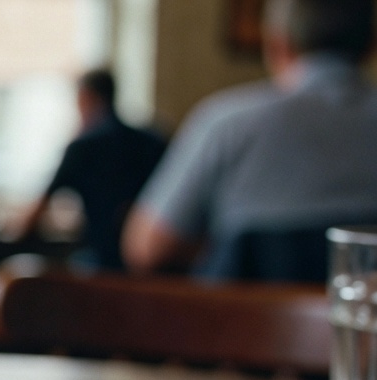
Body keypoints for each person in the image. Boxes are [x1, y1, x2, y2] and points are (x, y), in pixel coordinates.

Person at [124, 0, 377, 279]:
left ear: (278, 44)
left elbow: (146, 248)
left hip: (239, 308)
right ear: (371, 45)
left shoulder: (229, 125)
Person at [17, 69, 166, 271]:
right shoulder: (153, 141)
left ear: (85, 97)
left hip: (103, 266)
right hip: (154, 270)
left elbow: (30, 220)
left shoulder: (82, 148)